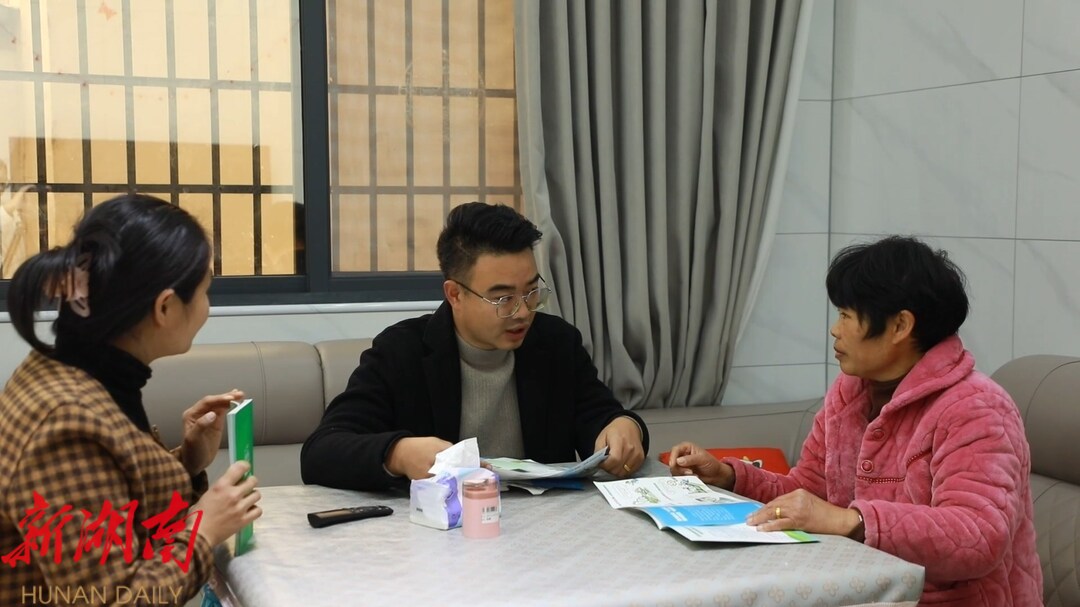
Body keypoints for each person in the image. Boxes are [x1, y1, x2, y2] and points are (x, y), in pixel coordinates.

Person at [669, 236, 1042, 606]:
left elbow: (977, 536)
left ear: (900, 326)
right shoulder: (850, 391)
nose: (835, 329)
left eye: (847, 315)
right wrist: (729, 477)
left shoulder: (977, 407)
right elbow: (809, 492)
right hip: (862, 591)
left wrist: (850, 521)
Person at [0, 195, 262, 605]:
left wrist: (187, 463)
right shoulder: (66, 421)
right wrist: (204, 530)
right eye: (205, 291)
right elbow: (110, 599)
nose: (208, 308)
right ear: (165, 307)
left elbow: (112, 506)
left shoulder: (77, 371)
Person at [302, 201, 648, 491]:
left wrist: (623, 426)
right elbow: (321, 452)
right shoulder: (402, 351)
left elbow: (601, 418)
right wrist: (399, 453)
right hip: (442, 534)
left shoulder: (556, 344)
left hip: (543, 530)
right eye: (503, 298)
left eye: (531, 292)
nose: (523, 312)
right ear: (455, 294)